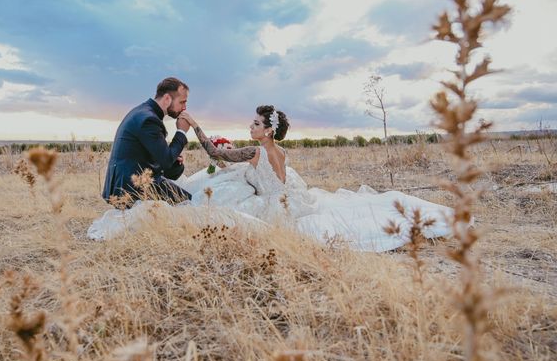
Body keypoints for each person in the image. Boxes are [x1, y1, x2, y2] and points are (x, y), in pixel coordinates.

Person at [91, 105, 453, 252]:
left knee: (214, 209)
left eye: (255, 124)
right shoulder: (281, 153)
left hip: (268, 204)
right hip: (287, 198)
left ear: (267, 132)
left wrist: (197, 127)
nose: (251, 127)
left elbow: (216, 155)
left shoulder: (256, 151)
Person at [101, 77, 192, 206]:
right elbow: (166, 161)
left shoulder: (144, 112)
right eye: (182, 102)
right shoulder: (149, 120)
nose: (184, 108)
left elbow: (164, 163)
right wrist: (181, 132)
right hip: (131, 188)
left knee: (185, 199)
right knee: (188, 203)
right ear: (167, 99)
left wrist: (174, 160)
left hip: (131, 183)